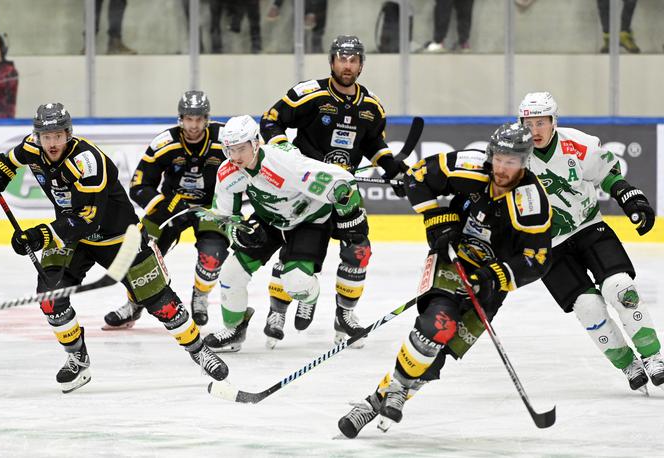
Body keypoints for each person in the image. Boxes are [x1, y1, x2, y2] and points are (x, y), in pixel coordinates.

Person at [0, 103, 228, 393]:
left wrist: (40, 236)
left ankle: (200, 352)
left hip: (118, 238)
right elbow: (6, 161)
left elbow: (87, 219)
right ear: (38, 137)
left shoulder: (87, 161)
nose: (53, 142)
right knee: (50, 299)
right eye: (47, 136)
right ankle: (77, 359)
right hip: (71, 239)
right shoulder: (32, 147)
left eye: (58, 135)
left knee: (162, 303)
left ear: (69, 134)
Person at [337, 122, 553, 438]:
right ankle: (391, 392)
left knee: (437, 355)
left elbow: (538, 260)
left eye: (512, 162)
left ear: (525, 162)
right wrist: (437, 220)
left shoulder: (532, 204)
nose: (502, 168)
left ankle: (374, 402)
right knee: (437, 325)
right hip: (452, 259)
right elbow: (418, 178)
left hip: (492, 281)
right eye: (499, 159)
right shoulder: (471, 167)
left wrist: (494, 276)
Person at [259, 35, 407, 349]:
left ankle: (345, 317)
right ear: (332, 61)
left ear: (361, 64)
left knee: (358, 250)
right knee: (295, 253)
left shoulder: (371, 107)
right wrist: (284, 152)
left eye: (354, 60)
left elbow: (374, 145)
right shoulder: (309, 94)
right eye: (342, 59)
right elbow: (271, 120)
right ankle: (277, 311)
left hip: (342, 193)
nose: (348, 65)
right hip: (305, 191)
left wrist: (395, 171)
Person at [518, 91, 663, 391]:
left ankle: (653, 355)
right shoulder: (513, 156)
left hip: (589, 228)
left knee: (620, 287)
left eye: (541, 122)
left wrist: (628, 196)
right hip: (548, 246)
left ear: (553, 121)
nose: (535, 130)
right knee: (587, 307)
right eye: (528, 123)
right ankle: (628, 364)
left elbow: (607, 175)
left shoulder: (578, 144)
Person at [202, 114, 367, 353]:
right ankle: (234, 329)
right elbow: (224, 215)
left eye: (240, 149)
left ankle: (308, 297)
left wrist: (352, 221)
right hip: (270, 220)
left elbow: (343, 183)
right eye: (229, 150)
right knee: (230, 274)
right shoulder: (228, 172)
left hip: (308, 220)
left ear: (256, 143)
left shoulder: (285, 163)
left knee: (297, 283)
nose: (235, 157)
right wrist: (239, 232)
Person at [103, 90, 229, 329]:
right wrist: (165, 204)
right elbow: (139, 186)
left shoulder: (224, 138)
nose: (194, 125)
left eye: (199, 119)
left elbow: (253, 161)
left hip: (211, 206)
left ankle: (200, 296)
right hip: (170, 207)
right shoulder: (164, 143)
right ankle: (134, 305)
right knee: (141, 256)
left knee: (213, 255)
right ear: (180, 119)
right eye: (189, 119)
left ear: (207, 118)